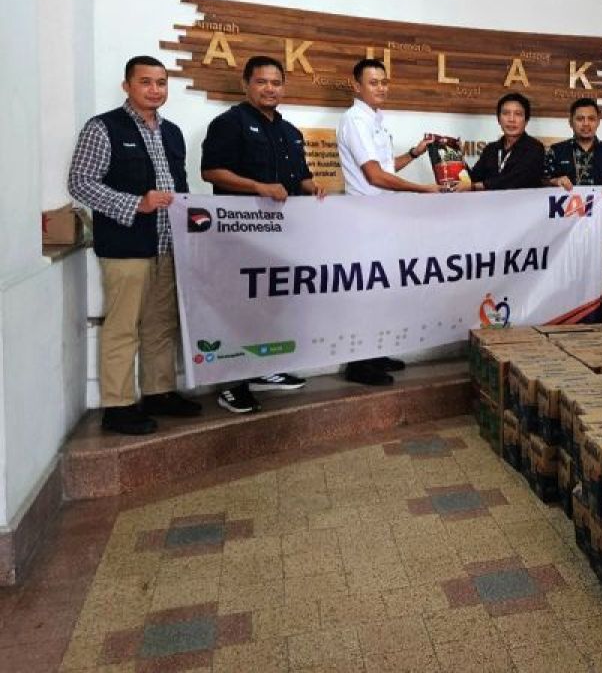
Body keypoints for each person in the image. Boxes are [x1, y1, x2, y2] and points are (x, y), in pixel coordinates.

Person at [67, 56, 201, 434]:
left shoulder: (172, 132)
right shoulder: (103, 128)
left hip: (167, 245)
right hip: (125, 246)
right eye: (145, 82)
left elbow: (179, 186)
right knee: (122, 327)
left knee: (161, 324)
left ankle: (159, 392)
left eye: (161, 83)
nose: (154, 90)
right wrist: (135, 203)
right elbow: (80, 182)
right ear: (127, 86)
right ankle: (118, 405)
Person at [200, 56, 324, 413]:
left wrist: (313, 188)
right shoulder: (228, 124)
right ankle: (232, 384)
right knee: (238, 307)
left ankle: (264, 370)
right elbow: (211, 171)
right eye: (261, 82)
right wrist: (258, 187)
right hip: (241, 235)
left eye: (276, 82)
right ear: (246, 84)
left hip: (282, 237)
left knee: (272, 304)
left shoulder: (290, 132)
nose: (270, 88)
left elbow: (300, 177)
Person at [336, 58, 439, 385]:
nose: (381, 87)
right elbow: (374, 176)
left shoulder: (375, 119)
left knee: (381, 288)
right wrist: (423, 189)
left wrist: (415, 153)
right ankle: (358, 364)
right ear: (357, 86)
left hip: (383, 218)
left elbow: (385, 167)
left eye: (384, 82)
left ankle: (374, 352)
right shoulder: (355, 120)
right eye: (373, 82)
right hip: (365, 219)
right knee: (366, 290)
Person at [544, 96, 602, 277]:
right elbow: (541, 181)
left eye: (591, 118)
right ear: (571, 122)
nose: (586, 124)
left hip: (601, 228)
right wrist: (555, 181)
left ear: (598, 121)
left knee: (597, 280)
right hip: (565, 230)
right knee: (565, 278)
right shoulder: (556, 151)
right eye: (580, 119)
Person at [449, 92, 544, 192]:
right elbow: (473, 178)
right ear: (498, 119)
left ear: (526, 120)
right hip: (490, 202)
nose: (511, 119)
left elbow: (515, 180)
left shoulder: (535, 148)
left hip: (523, 201)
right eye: (506, 113)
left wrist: (476, 186)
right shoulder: (491, 149)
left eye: (518, 114)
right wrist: (459, 159)